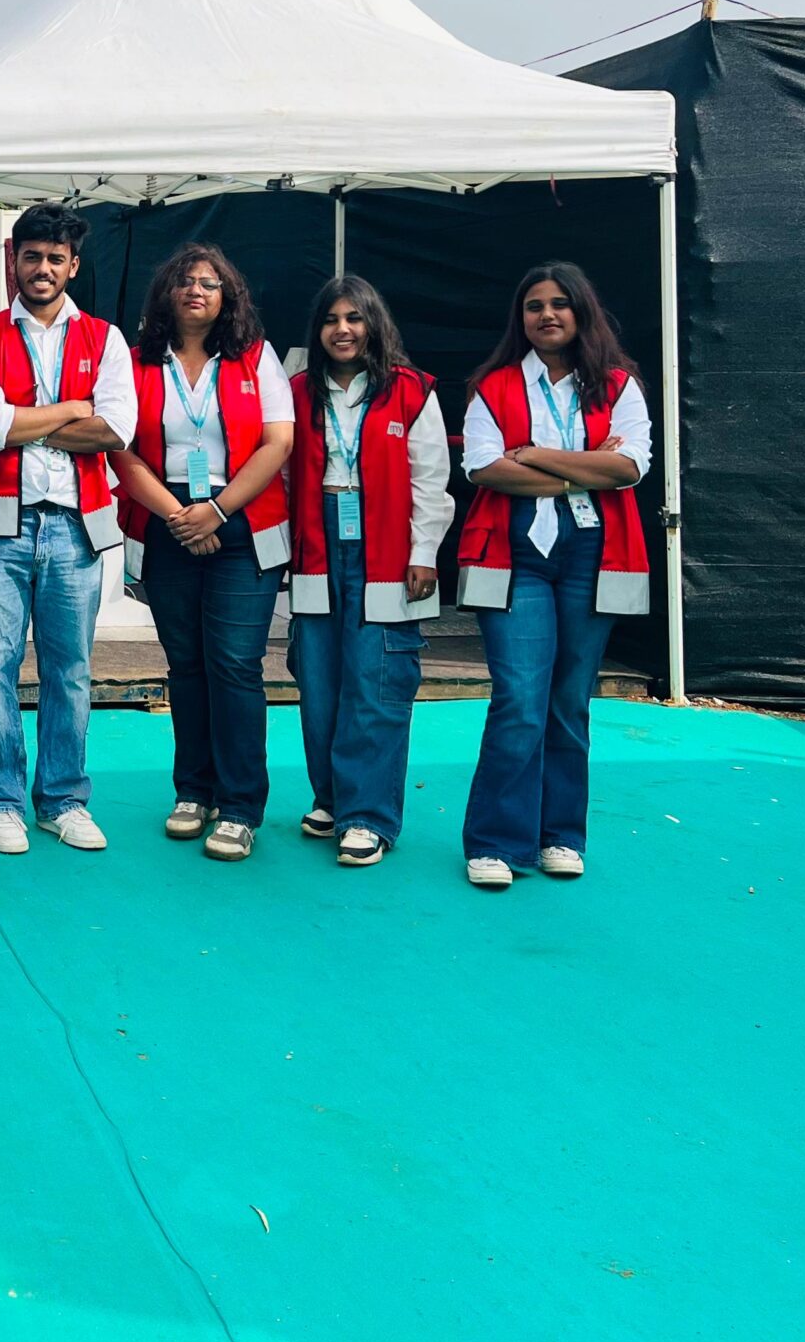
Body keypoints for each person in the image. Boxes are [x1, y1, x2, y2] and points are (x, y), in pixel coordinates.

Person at [456, 262, 651, 890]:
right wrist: (585, 469)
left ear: (581, 311)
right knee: (519, 698)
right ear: (521, 318)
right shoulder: (493, 387)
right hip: (516, 555)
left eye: (560, 303)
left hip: (594, 553)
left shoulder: (618, 385)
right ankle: (495, 841)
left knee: (569, 701)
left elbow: (630, 468)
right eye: (534, 305)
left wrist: (536, 455)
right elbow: (484, 468)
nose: (547, 314)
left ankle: (560, 835)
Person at [0, 204, 135, 854]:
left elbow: (116, 430)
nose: (42, 268)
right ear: (14, 262)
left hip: (75, 525)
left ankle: (63, 800)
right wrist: (70, 410)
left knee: (71, 671)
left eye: (55, 258)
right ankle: (1, 801)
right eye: (31, 256)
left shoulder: (106, 339)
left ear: (73, 266)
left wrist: (25, 420)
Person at [109, 244, 292, 862]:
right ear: (165, 292)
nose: (196, 291)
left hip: (241, 522)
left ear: (227, 296)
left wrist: (216, 511)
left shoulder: (255, 357)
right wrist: (179, 516)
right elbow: (120, 448)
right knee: (185, 665)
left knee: (235, 665)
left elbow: (278, 442)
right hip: (168, 521)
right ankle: (193, 791)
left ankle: (239, 806)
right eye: (185, 281)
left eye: (210, 283)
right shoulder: (136, 361)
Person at [283, 275, 451, 868]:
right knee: (318, 678)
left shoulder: (411, 390)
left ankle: (368, 815)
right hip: (317, 539)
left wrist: (424, 551)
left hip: (387, 544)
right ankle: (332, 798)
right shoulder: (297, 390)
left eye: (354, 318)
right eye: (331, 319)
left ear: (374, 324)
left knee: (377, 676)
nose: (343, 329)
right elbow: (282, 473)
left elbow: (431, 477)